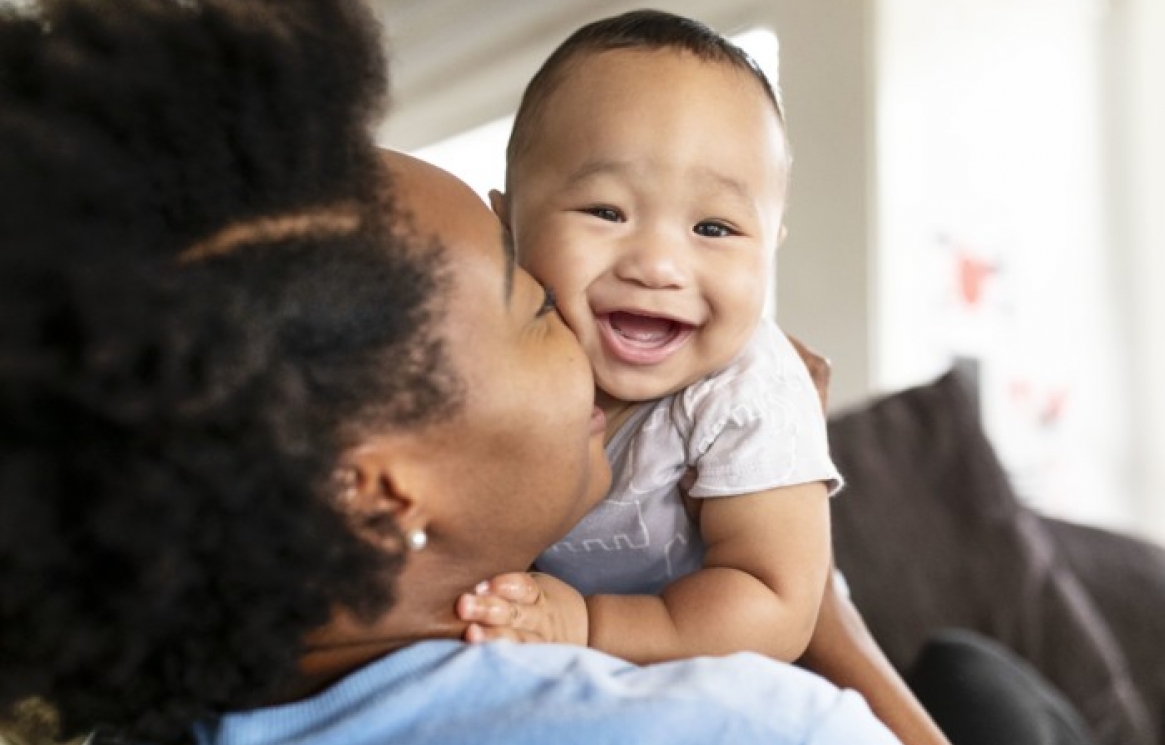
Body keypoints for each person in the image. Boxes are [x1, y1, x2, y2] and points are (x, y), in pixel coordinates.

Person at [0, 1, 905, 744]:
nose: (648, 272)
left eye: (713, 228)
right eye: (535, 304)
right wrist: (834, 633)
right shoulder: (748, 726)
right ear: (383, 496)